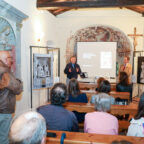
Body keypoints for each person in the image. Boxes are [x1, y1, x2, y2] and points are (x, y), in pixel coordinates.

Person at [0, 51, 23, 144]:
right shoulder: (5, 72)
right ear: (5, 59)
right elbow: (18, 88)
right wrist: (19, 82)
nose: (12, 60)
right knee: (4, 137)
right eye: (10, 58)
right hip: (4, 111)